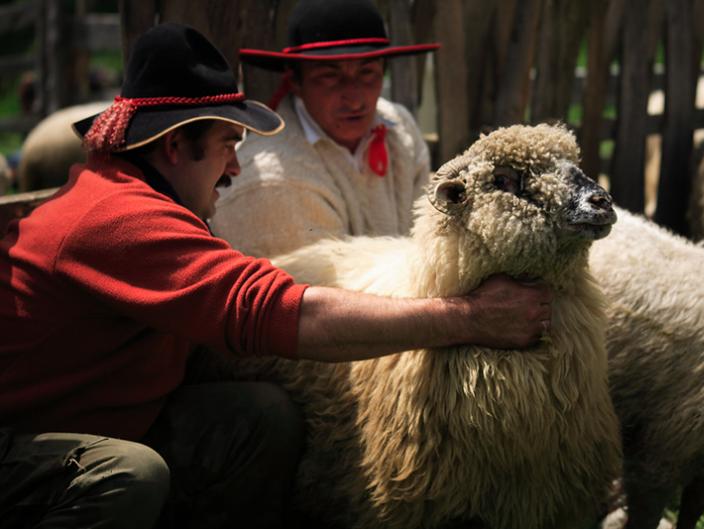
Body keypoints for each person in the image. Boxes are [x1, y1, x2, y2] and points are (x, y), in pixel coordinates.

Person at [0, 23, 551, 529]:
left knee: (260, 417)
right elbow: (276, 311)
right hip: (21, 442)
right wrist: (471, 318)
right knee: (127, 473)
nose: (236, 168)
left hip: (109, 416)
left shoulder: (147, 202)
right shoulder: (119, 219)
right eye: (227, 147)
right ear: (175, 145)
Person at [210, 0, 440, 257]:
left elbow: (432, 237)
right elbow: (325, 291)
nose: (354, 98)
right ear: (295, 81)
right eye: (330, 77)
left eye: (367, 73)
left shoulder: (400, 128)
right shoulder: (270, 177)